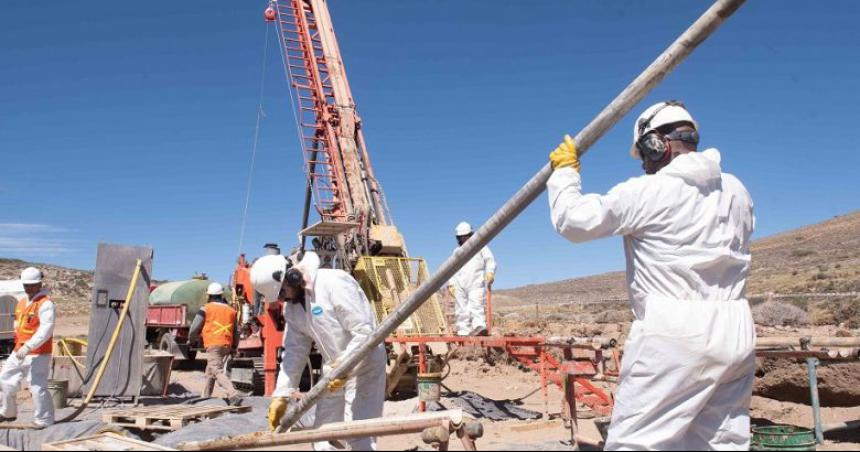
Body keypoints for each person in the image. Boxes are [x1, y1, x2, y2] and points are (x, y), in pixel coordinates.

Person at [547, 101, 756, 450]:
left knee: (637, 443)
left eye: (643, 155)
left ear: (656, 145)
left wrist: (565, 172)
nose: (644, 165)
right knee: (721, 442)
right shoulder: (737, 191)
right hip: (736, 328)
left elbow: (574, 221)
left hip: (674, 331)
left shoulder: (649, 191)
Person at [252, 251, 386, 451]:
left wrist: (345, 365)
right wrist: (281, 394)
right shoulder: (293, 309)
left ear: (292, 277)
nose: (282, 300)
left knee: (358, 435)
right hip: (332, 371)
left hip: (364, 366)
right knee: (322, 435)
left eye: (281, 293)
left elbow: (365, 332)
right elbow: (294, 352)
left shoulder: (334, 283)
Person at [0, 267, 56, 426]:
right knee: (5, 378)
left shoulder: (46, 304)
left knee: (37, 387)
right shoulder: (23, 302)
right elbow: (19, 325)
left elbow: (46, 329)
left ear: (40, 283)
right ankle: (8, 411)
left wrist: (29, 346)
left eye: (32, 285)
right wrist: (17, 345)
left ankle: (44, 419)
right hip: (19, 351)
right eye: (26, 285)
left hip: (38, 353)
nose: (28, 288)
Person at [188, 282, 242, 405]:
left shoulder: (206, 308)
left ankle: (233, 394)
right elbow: (236, 331)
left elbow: (194, 327)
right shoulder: (231, 310)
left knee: (217, 370)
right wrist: (234, 347)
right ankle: (205, 398)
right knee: (210, 371)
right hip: (226, 344)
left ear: (209, 296)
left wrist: (190, 340)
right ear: (221, 295)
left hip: (214, 344)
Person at [447, 222, 496, 336]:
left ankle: (479, 326)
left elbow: (490, 260)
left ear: (470, 235)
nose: (464, 239)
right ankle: (463, 331)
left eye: (466, 236)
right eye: (461, 237)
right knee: (461, 308)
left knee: (476, 304)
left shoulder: (480, 247)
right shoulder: (456, 251)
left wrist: (490, 272)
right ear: (458, 238)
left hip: (475, 282)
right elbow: (452, 268)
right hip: (459, 283)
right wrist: (451, 284)